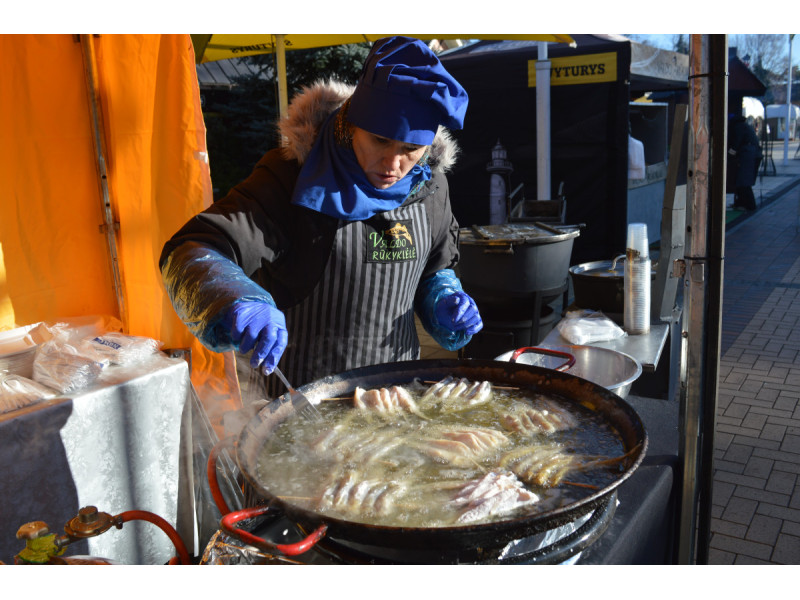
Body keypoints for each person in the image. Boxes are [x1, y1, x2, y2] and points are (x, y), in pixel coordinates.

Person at [160, 36, 483, 398]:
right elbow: (193, 248)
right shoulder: (290, 176)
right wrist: (234, 295)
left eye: (410, 149)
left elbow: (434, 269)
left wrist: (443, 297)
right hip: (299, 402)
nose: (394, 165)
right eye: (378, 140)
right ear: (351, 124)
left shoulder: (431, 187)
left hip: (395, 399)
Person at [728, 112, 763, 212]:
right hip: (752, 154)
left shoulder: (738, 127)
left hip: (748, 155)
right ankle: (741, 203)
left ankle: (748, 205)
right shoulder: (745, 126)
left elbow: (736, 143)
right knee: (743, 180)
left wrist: (729, 155)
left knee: (743, 180)